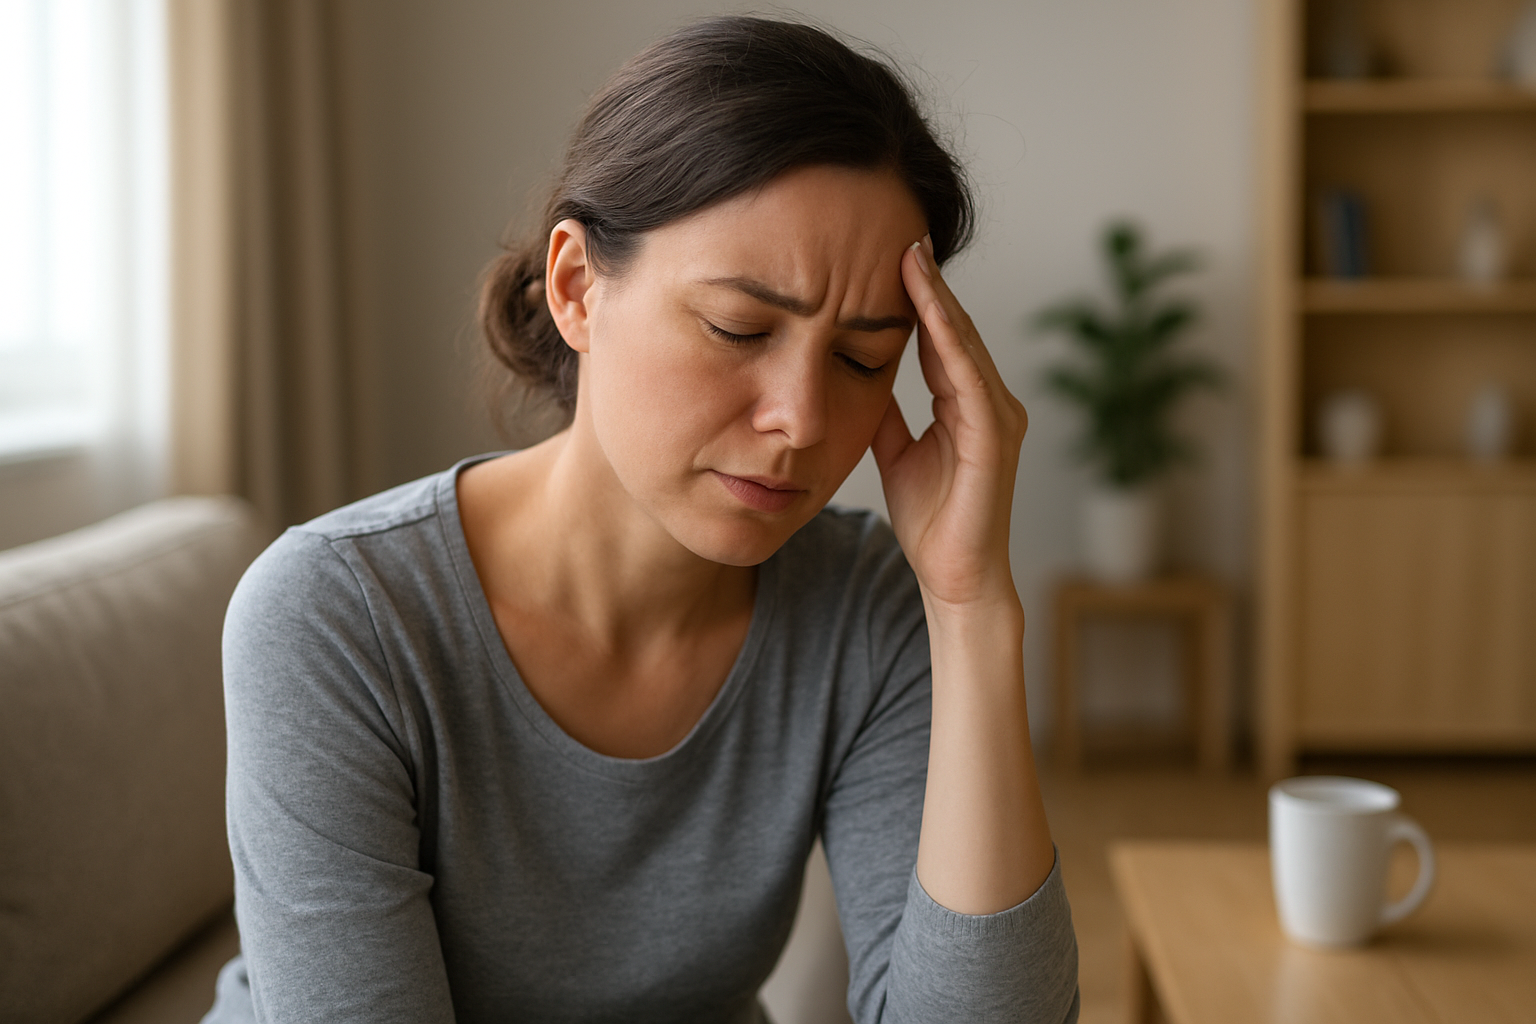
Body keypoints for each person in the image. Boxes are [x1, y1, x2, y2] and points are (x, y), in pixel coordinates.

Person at [204, 15, 1077, 1024]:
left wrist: (970, 607)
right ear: (577, 286)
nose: (800, 419)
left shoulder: (861, 608)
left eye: (861, 359)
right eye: (738, 327)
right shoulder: (336, 615)